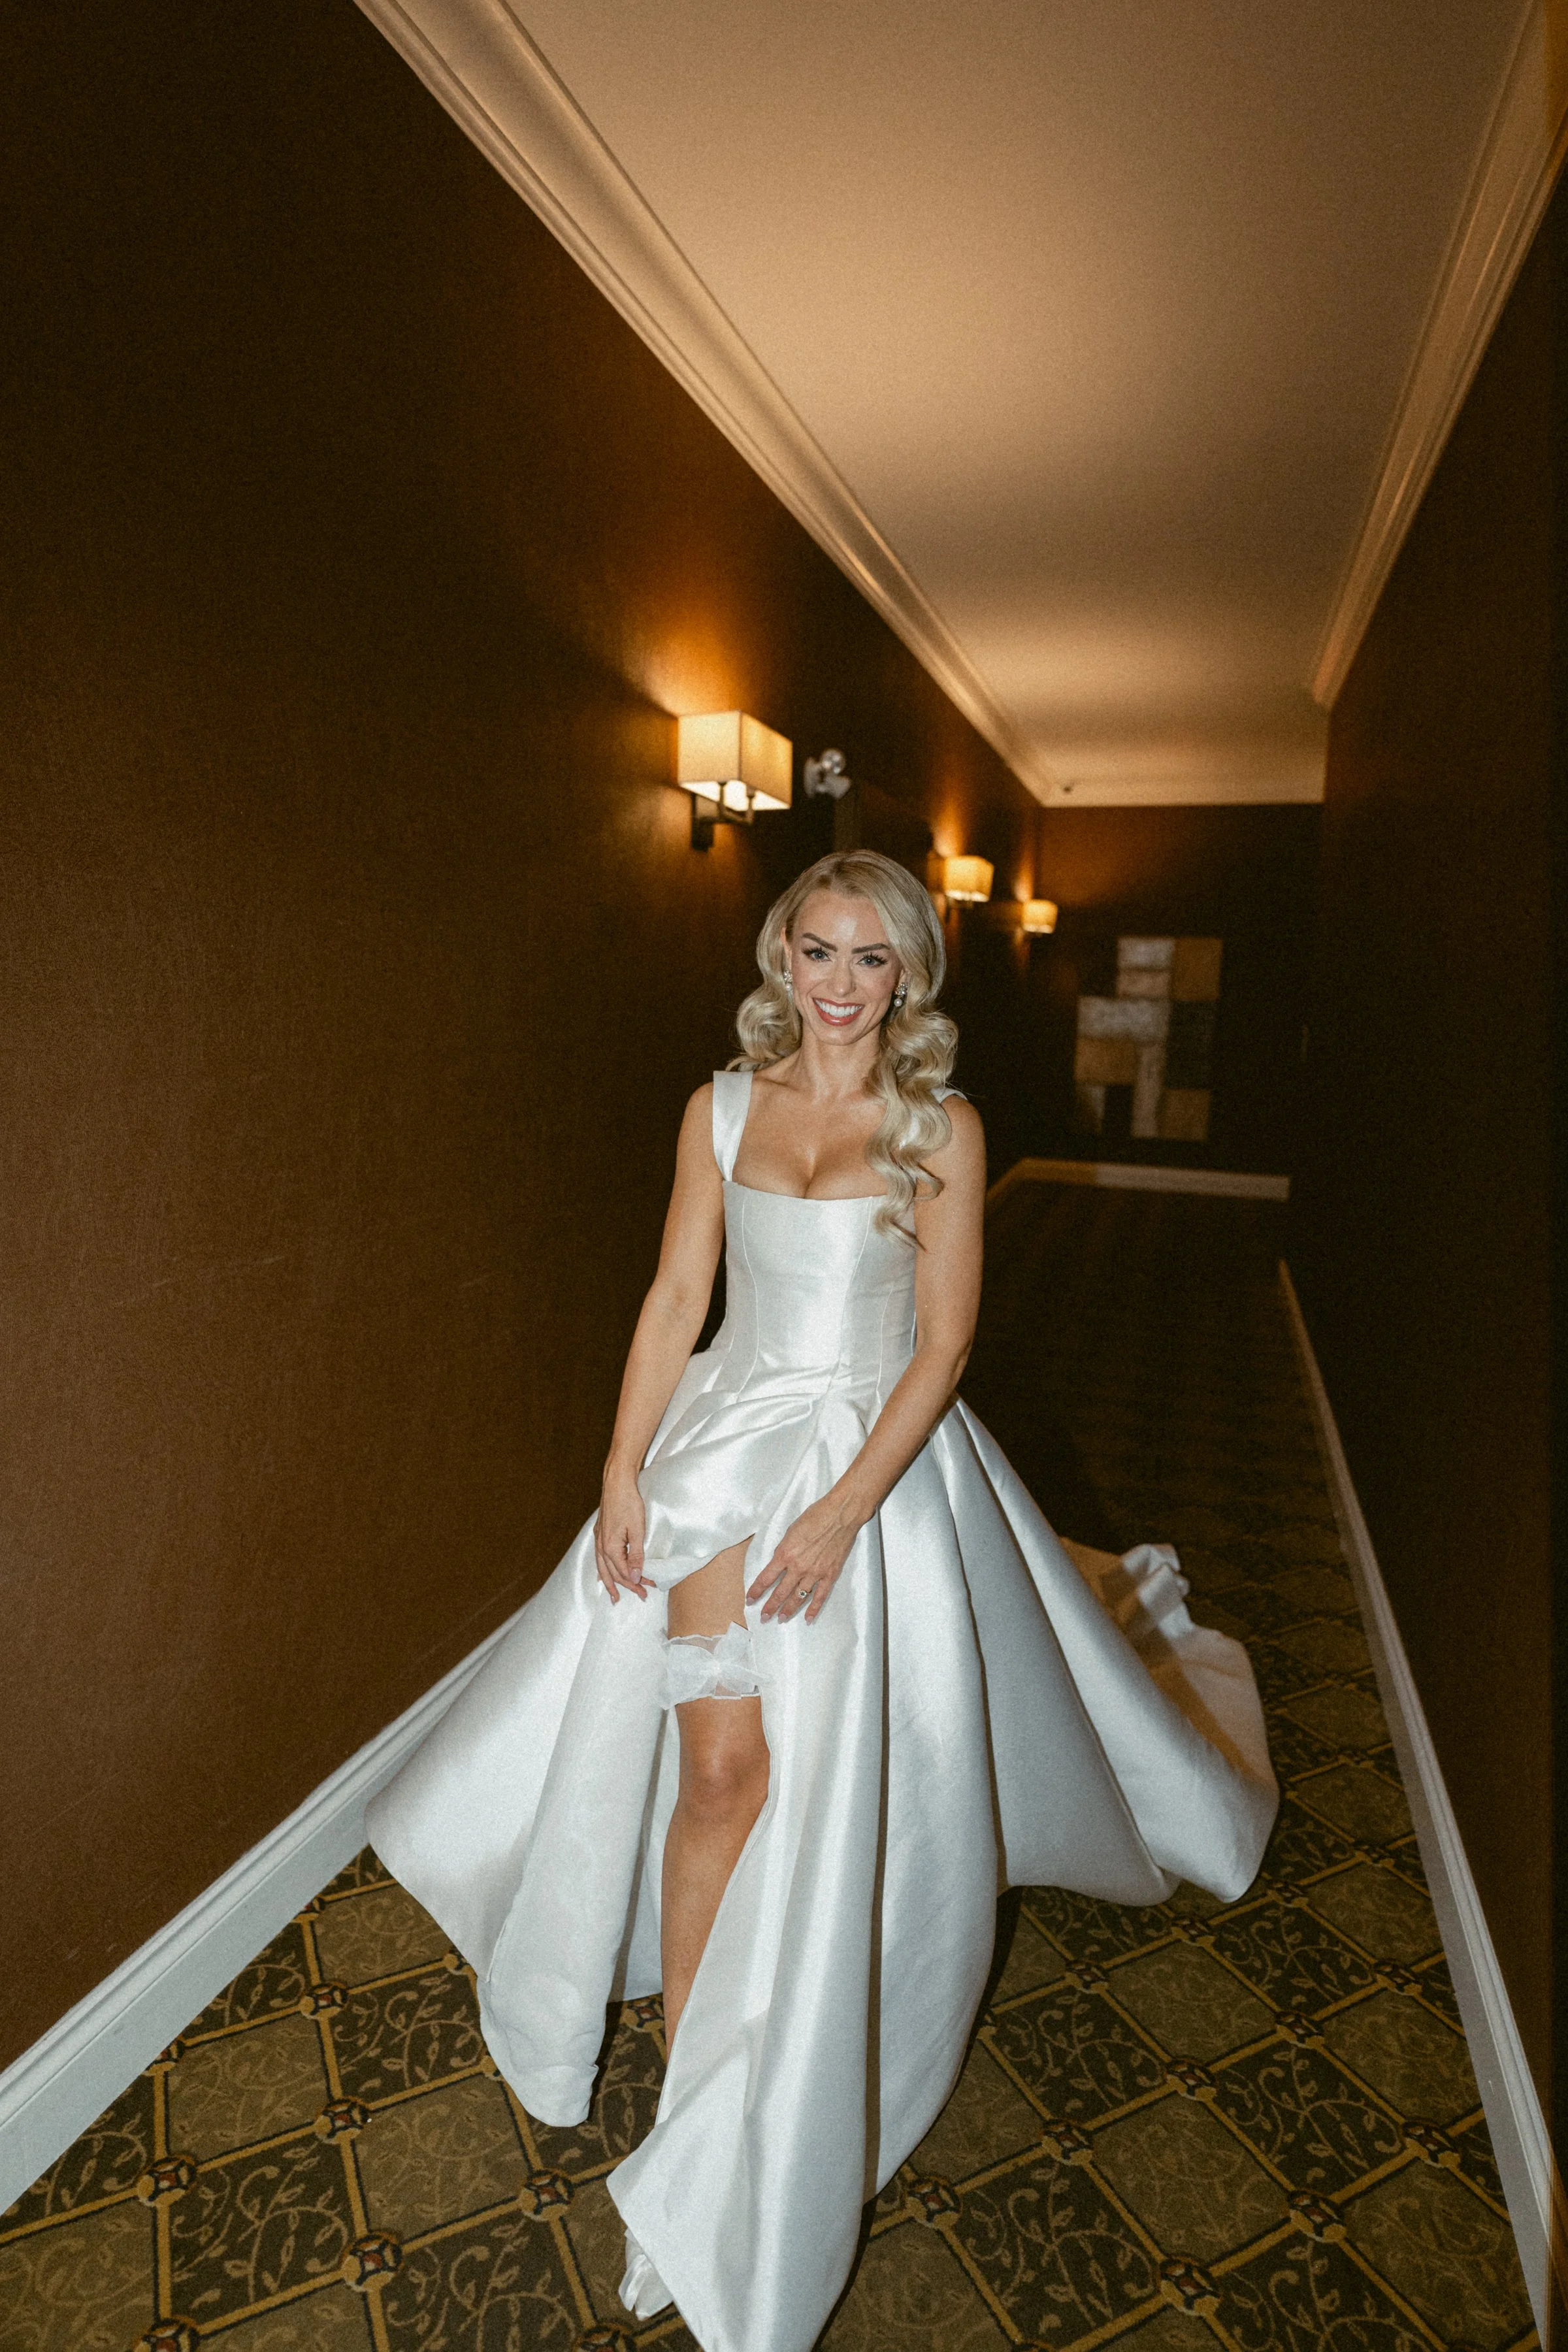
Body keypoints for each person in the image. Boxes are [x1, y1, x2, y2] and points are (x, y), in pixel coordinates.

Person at [368, 850, 1277, 2352]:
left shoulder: (945, 1129)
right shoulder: (717, 1107)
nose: (838, 983)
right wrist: (618, 1464)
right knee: (722, 1770)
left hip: (875, 1470)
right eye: (815, 950)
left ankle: (814, 2016)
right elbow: (677, 1299)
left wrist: (847, 1515)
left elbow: (943, 1349)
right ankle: (689, 2068)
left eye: (869, 959)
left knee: (857, 1780)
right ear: (779, 954)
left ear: (908, 976)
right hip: (725, 1454)